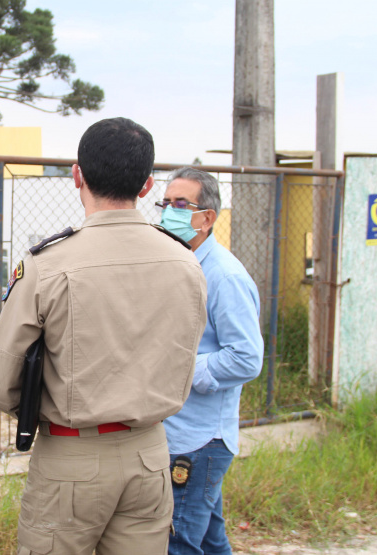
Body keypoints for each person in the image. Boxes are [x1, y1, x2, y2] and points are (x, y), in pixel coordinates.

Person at [0, 117, 208, 555]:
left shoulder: (47, 264)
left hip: (71, 456)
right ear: (146, 186)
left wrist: (40, 410)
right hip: (149, 452)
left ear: (77, 176)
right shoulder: (185, 263)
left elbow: (1, 384)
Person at [159, 167, 264, 555]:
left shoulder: (224, 276)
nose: (170, 212)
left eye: (181, 204)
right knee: (209, 540)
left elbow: (247, 358)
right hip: (179, 431)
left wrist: (182, 371)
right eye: (166, 203)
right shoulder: (181, 263)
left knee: (178, 542)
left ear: (207, 217)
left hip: (199, 442)